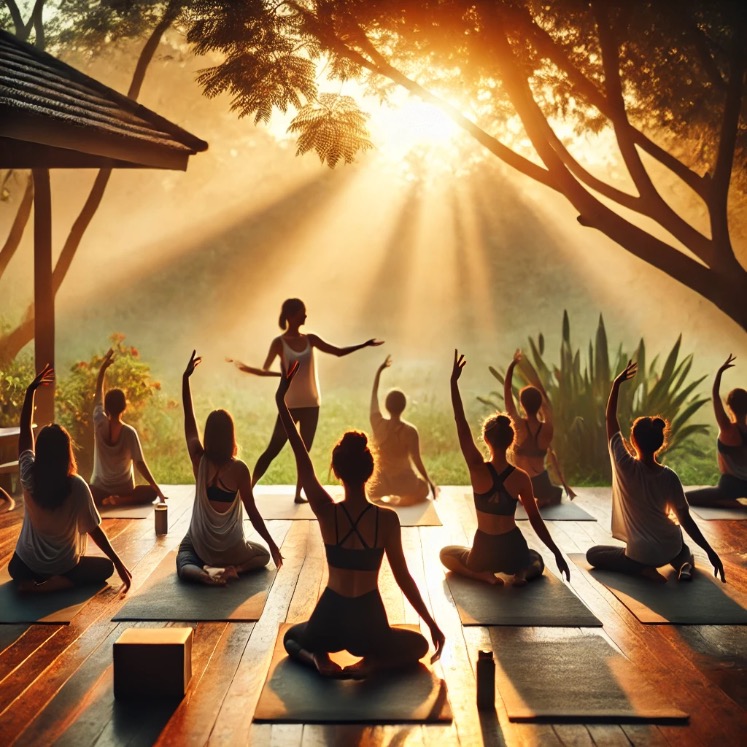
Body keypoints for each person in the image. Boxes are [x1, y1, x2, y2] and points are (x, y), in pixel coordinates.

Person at [276, 362, 444, 678]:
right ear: (370, 472)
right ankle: (372, 663)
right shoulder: (387, 520)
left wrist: (281, 403)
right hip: (369, 622)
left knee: (292, 637)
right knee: (419, 645)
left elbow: (302, 456)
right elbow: (403, 578)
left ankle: (319, 660)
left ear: (337, 471)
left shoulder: (327, 512)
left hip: (330, 617)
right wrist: (432, 623)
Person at [230, 298, 383, 503]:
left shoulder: (310, 339)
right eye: (302, 313)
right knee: (273, 449)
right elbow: (266, 369)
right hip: (289, 404)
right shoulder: (279, 343)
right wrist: (254, 370)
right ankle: (247, 489)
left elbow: (337, 352)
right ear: (291, 316)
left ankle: (298, 494)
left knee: (304, 453)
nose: (305, 316)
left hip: (311, 403)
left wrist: (363, 345)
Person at [586, 361, 725, 583]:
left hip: (639, 554)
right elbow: (685, 520)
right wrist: (710, 551)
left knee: (593, 555)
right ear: (660, 444)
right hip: (669, 547)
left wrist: (616, 385)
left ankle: (642, 570)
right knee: (681, 545)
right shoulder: (670, 476)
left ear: (632, 440)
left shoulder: (624, 464)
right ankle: (685, 567)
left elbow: (610, 420)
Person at [440, 351, 570, 586]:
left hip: (483, 549)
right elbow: (535, 520)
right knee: (536, 560)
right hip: (513, 549)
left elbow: (461, 422)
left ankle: (481, 575)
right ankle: (519, 574)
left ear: (486, 440)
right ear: (512, 441)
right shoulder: (520, 478)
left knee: (445, 554)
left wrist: (453, 382)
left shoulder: (477, 468)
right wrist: (556, 552)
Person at [8, 366, 132, 593]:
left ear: (42, 453)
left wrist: (30, 393)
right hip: (64, 566)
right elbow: (94, 530)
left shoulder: (28, 475)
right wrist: (119, 563)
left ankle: (29, 584)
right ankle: (59, 583)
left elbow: (25, 431)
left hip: (30, 565)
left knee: (14, 567)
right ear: (67, 454)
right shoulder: (76, 485)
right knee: (105, 568)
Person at [177, 351, 282, 586]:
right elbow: (253, 514)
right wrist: (273, 545)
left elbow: (189, 418)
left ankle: (202, 574)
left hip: (201, 546)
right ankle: (235, 570)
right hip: (232, 549)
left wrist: (186, 379)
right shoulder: (240, 470)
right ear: (230, 436)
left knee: (184, 558)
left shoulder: (199, 460)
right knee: (262, 554)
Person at [89, 348, 167, 507]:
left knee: (84, 490)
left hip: (99, 489)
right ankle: (120, 500)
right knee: (149, 492)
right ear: (124, 408)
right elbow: (140, 463)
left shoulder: (99, 422)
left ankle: (105, 500)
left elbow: (98, 394)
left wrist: (103, 369)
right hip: (125, 490)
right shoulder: (129, 432)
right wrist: (156, 487)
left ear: (107, 409)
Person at [504, 349, 575, 506]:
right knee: (555, 492)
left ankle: (525, 497)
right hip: (540, 484)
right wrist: (539, 393)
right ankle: (540, 499)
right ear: (539, 405)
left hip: (519, 481)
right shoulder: (547, 428)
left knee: (507, 487)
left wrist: (512, 366)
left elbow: (507, 393)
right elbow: (547, 407)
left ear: (522, 405)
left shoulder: (518, 425)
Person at [367, 355, 436, 503]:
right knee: (423, 487)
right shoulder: (410, 431)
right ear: (404, 406)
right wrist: (429, 481)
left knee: (370, 486)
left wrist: (379, 371)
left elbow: (373, 396)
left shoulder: (377, 423)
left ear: (386, 406)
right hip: (404, 483)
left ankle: (384, 499)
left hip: (381, 483)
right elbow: (416, 459)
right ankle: (402, 501)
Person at [686, 355, 747, 509]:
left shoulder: (728, 429)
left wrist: (719, 372)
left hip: (730, 486)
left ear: (729, 407)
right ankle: (733, 503)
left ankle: (731, 504)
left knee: (683, 498)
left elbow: (715, 397)